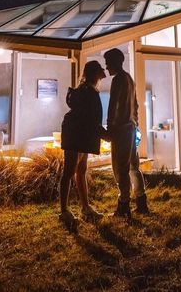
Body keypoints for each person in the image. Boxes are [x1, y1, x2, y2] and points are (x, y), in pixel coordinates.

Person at [59, 60, 107, 230]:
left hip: (78, 133)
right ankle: (64, 211)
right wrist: (104, 134)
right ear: (94, 74)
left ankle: (85, 208)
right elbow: (90, 118)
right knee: (70, 171)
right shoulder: (89, 92)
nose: (104, 72)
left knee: (80, 170)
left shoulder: (86, 90)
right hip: (76, 134)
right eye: (101, 70)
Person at [103, 47, 148, 218]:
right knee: (133, 167)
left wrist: (109, 128)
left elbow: (112, 106)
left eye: (108, 64)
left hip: (121, 130)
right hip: (130, 128)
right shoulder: (129, 79)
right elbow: (135, 105)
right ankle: (141, 201)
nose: (107, 68)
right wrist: (135, 124)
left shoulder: (118, 80)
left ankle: (123, 206)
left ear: (115, 62)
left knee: (120, 169)